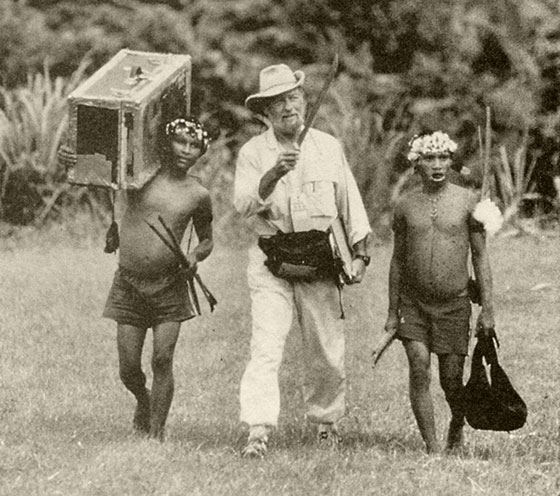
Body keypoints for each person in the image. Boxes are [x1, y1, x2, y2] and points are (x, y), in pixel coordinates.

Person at [234, 63, 371, 457]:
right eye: (277, 102)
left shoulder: (328, 147)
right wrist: (271, 175)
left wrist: (360, 253)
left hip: (320, 259)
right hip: (271, 259)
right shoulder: (253, 153)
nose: (287, 107)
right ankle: (257, 431)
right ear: (265, 111)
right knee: (266, 343)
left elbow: (350, 203)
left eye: (292, 98)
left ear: (304, 99)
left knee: (326, 347)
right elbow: (243, 205)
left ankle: (326, 423)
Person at [58, 117, 214, 441]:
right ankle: (143, 400)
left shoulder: (198, 194)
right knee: (128, 369)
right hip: (128, 283)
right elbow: (96, 171)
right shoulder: (139, 176)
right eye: (180, 141)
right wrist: (71, 159)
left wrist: (194, 258)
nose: (186, 150)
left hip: (170, 285)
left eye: (194, 145)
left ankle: (156, 433)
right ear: (167, 143)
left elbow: (207, 240)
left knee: (162, 358)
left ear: (201, 152)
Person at [385, 130, 496, 453]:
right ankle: (433, 448)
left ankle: (456, 423)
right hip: (414, 303)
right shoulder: (405, 205)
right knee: (418, 366)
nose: (437, 164)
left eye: (443, 158)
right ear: (416, 163)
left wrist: (488, 309)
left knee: (451, 380)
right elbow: (397, 261)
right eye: (429, 158)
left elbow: (480, 256)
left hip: (454, 303)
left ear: (450, 161)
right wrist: (393, 312)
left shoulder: (466, 201)